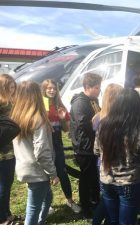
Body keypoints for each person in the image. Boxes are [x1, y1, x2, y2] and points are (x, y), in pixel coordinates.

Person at [97, 89, 140, 225]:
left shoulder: (103, 125)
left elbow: (97, 151)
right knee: (127, 221)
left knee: (112, 219)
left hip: (106, 179)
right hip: (130, 182)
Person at [10, 81, 59, 225]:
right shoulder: (38, 119)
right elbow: (42, 152)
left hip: (25, 167)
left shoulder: (16, 116)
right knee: (33, 208)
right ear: (37, 95)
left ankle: (40, 221)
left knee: (47, 197)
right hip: (38, 171)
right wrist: (53, 173)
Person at [41, 79, 81, 213]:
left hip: (57, 144)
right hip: (45, 144)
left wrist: (63, 118)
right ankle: (47, 205)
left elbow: (65, 129)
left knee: (62, 172)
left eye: (54, 88)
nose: (52, 90)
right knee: (45, 175)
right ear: (44, 90)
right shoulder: (40, 105)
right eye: (49, 88)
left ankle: (70, 201)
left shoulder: (60, 105)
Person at [70, 72, 102, 219]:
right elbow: (83, 124)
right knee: (86, 178)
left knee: (93, 177)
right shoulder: (80, 102)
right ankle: (86, 209)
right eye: (96, 87)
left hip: (93, 145)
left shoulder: (93, 100)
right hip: (84, 147)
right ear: (87, 87)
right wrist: (99, 119)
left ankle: (95, 202)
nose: (99, 90)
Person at [92, 83, 123, 225]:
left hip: (102, 161)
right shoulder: (118, 119)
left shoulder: (97, 117)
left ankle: (98, 221)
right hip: (115, 163)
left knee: (106, 198)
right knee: (111, 200)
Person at [0, 74, 19, 225]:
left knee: (7, 185)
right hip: (3, 153)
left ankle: (6, 213)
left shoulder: (11, 102)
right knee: (3, 186)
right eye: (10, 87)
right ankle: (2, 218)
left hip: (10, 151)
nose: (13, 91)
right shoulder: (3, 105)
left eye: (14, 87)